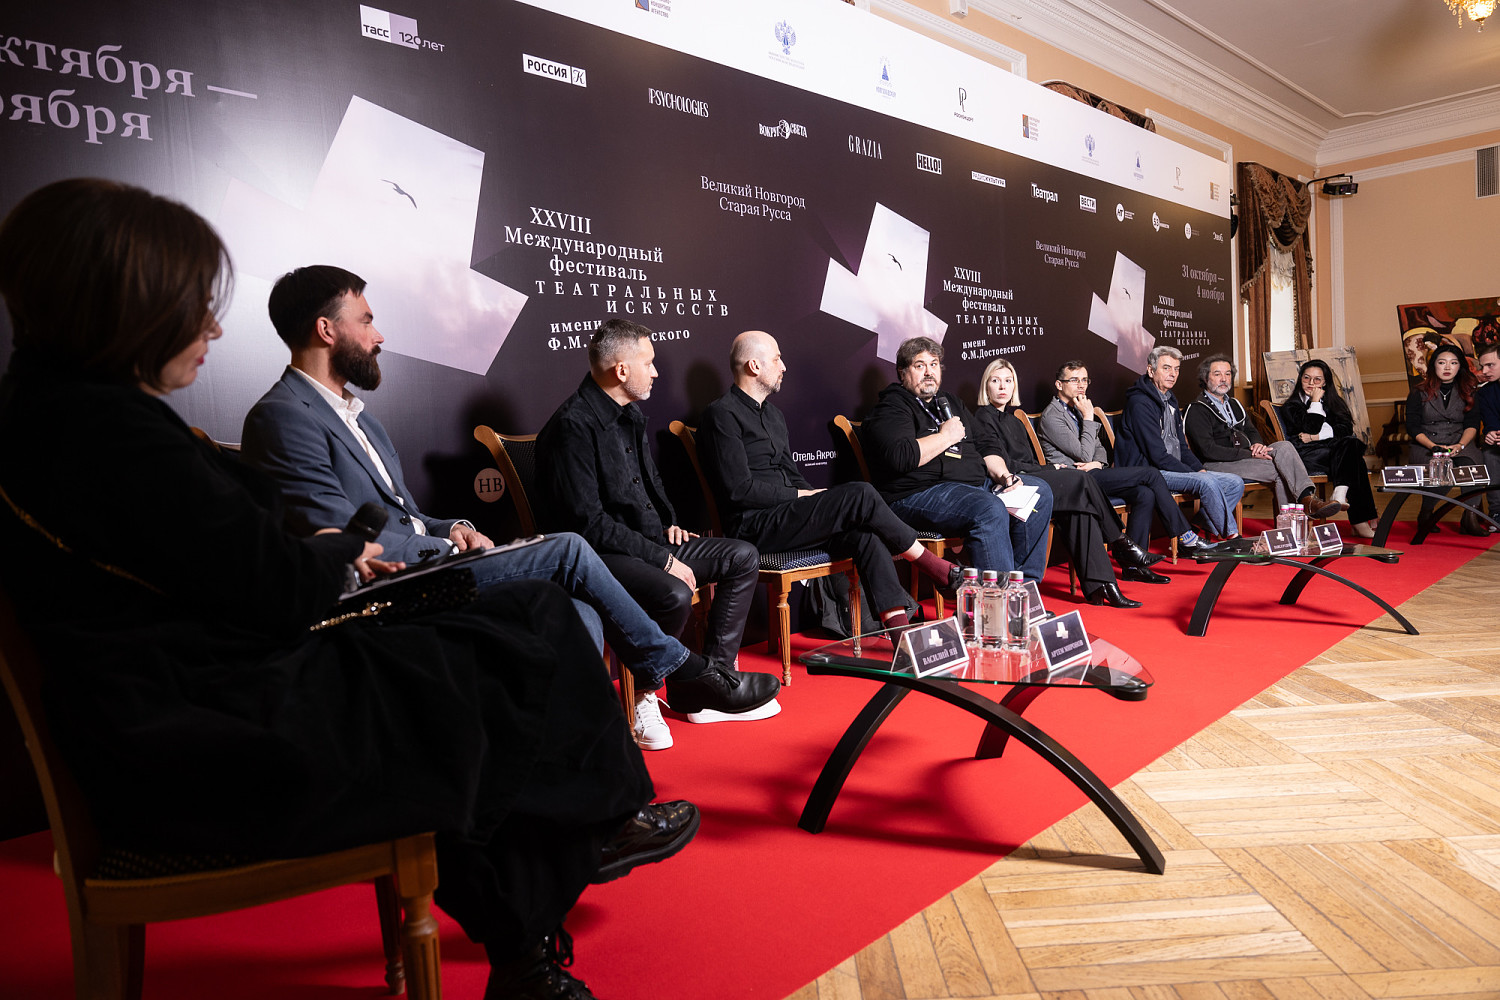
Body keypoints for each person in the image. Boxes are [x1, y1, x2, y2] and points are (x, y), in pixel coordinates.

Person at [0, 178, 695, 1000]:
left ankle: (535, 929)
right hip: (211, 741)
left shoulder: (56, 415)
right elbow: (277, 584)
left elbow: (245, 558)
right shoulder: (107, 434)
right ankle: (585, 843)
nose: (212, 327)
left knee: (509, 636)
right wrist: (335, 550)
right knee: (519, 631)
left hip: (188, 709)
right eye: (192, 303)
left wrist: (335, 544)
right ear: (125, 303)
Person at [241, 268, 778, 754]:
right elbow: (342, 538)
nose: (378, 335)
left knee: (583, 612)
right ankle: (686, 671)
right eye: (366, 321)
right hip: (390, 585)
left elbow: (405, 513)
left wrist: (456, 527)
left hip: (435, 561)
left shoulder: (364, 421)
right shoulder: (284, 416)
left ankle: (587, 766)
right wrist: (441, 545)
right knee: (569, 548)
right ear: (326, 330)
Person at [535, 319, 778, 749]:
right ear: (621, 370)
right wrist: (663, 559)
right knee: (674, 593)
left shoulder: (629, 414)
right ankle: (645, 695)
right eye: (648, 363)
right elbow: (588, 525)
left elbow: (647, 487)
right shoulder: (572, 425)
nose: (656, 372)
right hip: (597, 556)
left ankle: (706, 685)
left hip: (647, 543)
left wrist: (667, 524)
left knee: (741, 556)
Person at [696, 330, 965, 633]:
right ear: (754, 366)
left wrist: (817, 498)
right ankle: (934, 567)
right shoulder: (721, 415)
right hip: (753, 527)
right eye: (777, 359)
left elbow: (791, 473)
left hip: (787, 518)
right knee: (861, 493)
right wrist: (801, 496)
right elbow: (738, 490)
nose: (783, 366)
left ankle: (900, 636)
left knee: (866, 536)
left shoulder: (774, 416)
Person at [971, 358, 1164, 607]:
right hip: (1012, 484)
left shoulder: (1014, 421)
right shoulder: (982, 418)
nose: (1002, 387)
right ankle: (1120, 542)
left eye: (1008, 381)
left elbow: (1030, 461)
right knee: (1080, 479)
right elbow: (1007, 465)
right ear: (986, 386)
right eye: (995, 381)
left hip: (1032, 477)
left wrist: (1050, 468)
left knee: (1079, 510)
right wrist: (1050, 468)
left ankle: (1103, 586)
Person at [861, 336, 1054, 582]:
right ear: (903, 372)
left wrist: (1004, 476)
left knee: (1039, 492)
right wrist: (945, 437)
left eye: (934, 364)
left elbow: (985, 443)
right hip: (917, 494)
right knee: (987, 508)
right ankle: (998, 601)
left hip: (971, 486)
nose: (929, 372)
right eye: (920, 365)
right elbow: (901, 457)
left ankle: (1023, 589)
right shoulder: (892, 407)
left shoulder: (950, 402)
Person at [1035, 359, 1220, 556]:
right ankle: (1185, 536)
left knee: (1145, 494)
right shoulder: (1053, 416)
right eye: (1074, 380)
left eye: (1085, 380)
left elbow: (1099, 450)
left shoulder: (1078, 409)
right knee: (1151, 474)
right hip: (1075, 480)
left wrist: (1098, 462)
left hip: (1094, 473)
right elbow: (1084, 454)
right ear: (1059, 384)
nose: (1081, 385)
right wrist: (1089, 417)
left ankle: (1135, 561)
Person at [1184, 354, 1343, 520]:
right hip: (1215, 464)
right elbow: (1208, 450)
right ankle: (1293, 522)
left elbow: (1251, 431)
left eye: (1228, 374)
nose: (1224, 379)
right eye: (1217, 374)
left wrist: (1257, 444)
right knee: (1281, 470)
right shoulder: (1197, 409)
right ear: (1205, 378)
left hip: (1244, 458)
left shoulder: (1234, 404)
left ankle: (1307, 501)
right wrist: (1250, 454)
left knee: (1284, 446)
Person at [1116, 346, 1246, 539]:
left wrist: (1199, 469)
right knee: (1206, 481)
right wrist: (1193, 474)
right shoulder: (1140, 403)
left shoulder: (1170, 399)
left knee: (1235, 482)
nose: (1173, 374)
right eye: (1166, 368)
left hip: (1171, 468)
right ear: (1151, 370)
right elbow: (1157, 456)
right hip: (1149, 472)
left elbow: (1182, 447)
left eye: (1176, 369)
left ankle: (1197, 527)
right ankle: (1233, 538)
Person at [1279, 359, 1379, 538]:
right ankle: (1359, 521)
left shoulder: (1333, 402)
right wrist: (1315, 402)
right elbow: (1311, 427)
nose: (1311, 383)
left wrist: (1316, 437)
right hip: (1305, 455)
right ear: (1300, 379)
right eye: (1306, 378)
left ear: (1325, 382)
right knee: (1354, 457)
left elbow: (1346, 429)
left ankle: (1341, 493)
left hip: (1333, 452)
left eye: (1317, 379)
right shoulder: (1291, 406)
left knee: (1351, 445)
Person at [1406, 342, 1482, 528]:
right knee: (1442, 469)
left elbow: (1472, 424)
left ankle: (1470, 517)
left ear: (1459, 366)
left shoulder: (1469, 391)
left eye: (1453, 363)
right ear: (1434, 365)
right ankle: (1426, 512)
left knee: (1471, 468)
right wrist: (1434, 447)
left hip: (1459, 441)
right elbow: (1412, 427)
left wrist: (1460, 445)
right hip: (1427, 443)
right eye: (1442, 362)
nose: (1447, 367)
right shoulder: (1418, 392)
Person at [1471, 342, 1500, 531]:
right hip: (1498, 442)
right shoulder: (1485, 392)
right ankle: (1497, 513)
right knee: (1489, 453)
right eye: (1482, 366)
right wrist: (1490, 433)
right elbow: (1490, 421)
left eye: (1490, 365)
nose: (1485, 371)